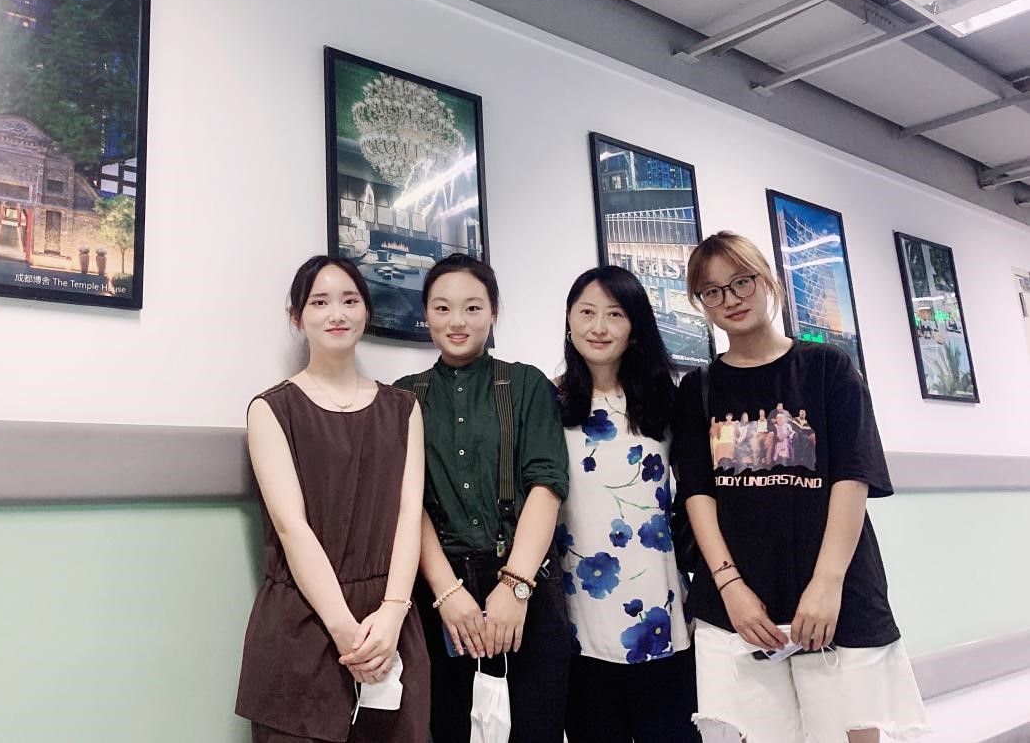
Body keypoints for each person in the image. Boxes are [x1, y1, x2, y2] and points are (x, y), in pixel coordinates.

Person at [672, 231, 927, 743]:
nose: (731, 299)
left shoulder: (828, 367)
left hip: (837, 592)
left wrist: (826, 584)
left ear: (767, 280)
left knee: (855, 732)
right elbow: (698, 494)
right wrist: (730, 588)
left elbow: (853, 476)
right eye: (713, 291)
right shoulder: (697, 389)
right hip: (740, 602)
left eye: (741, 281)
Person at [236, 255, 431, 742]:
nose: (337, 314)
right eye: (319, 302)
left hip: (390, 621)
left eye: (349, 300)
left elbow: (409, 515)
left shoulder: (403, 408)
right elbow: (291, 527)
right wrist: (345, 630)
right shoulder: (271, 409)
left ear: (366, 311)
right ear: (297, 317)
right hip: (304, 620)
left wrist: (393, 611)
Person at [395, 254, 570, 743]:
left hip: (526, 578)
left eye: (472, 307)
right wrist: (447, 594)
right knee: (450, 727)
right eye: (442, 308)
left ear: (493, 312)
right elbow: (407, 504)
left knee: (534, 728)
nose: (458, 321)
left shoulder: (527, 384)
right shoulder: (403, 398)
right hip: (441, 586)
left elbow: (547, 485)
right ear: (425, 315)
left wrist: (516, 587)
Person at [555, 266, 699, 743]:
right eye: (587, 313)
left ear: (635, 326)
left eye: (615, 314)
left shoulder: (666, 402)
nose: (599, 327)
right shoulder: (550, 402)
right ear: (570, 320)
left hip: (660, 610)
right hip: (579, 618)